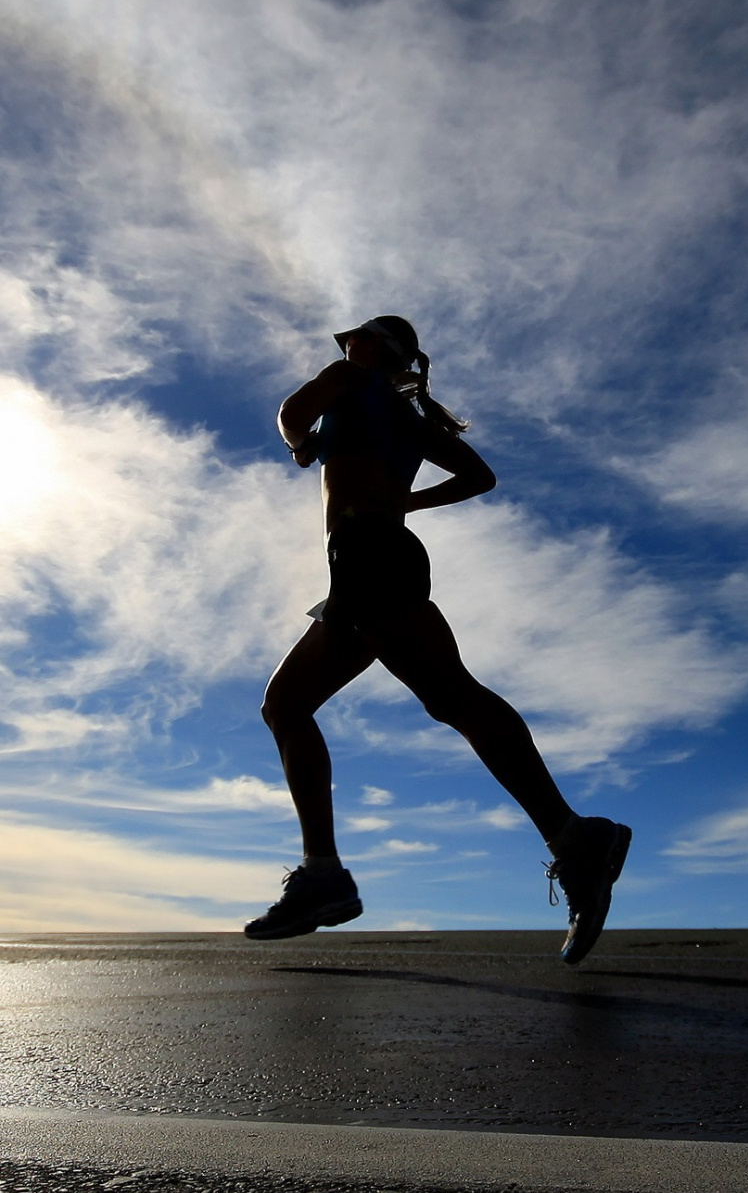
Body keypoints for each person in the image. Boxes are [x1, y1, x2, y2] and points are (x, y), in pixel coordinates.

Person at [245, 316, 631, 964]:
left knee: (451, 696)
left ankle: (574, 839)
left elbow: (290, 412)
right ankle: (325, 876)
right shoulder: (407, 417)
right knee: (292, 705)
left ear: (376, 348)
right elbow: (480, 477)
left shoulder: (350, 379)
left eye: (355, 338)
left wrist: (301, 444)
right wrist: (408, 504)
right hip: (370, 560)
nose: (346, 348)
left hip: (369, 555)